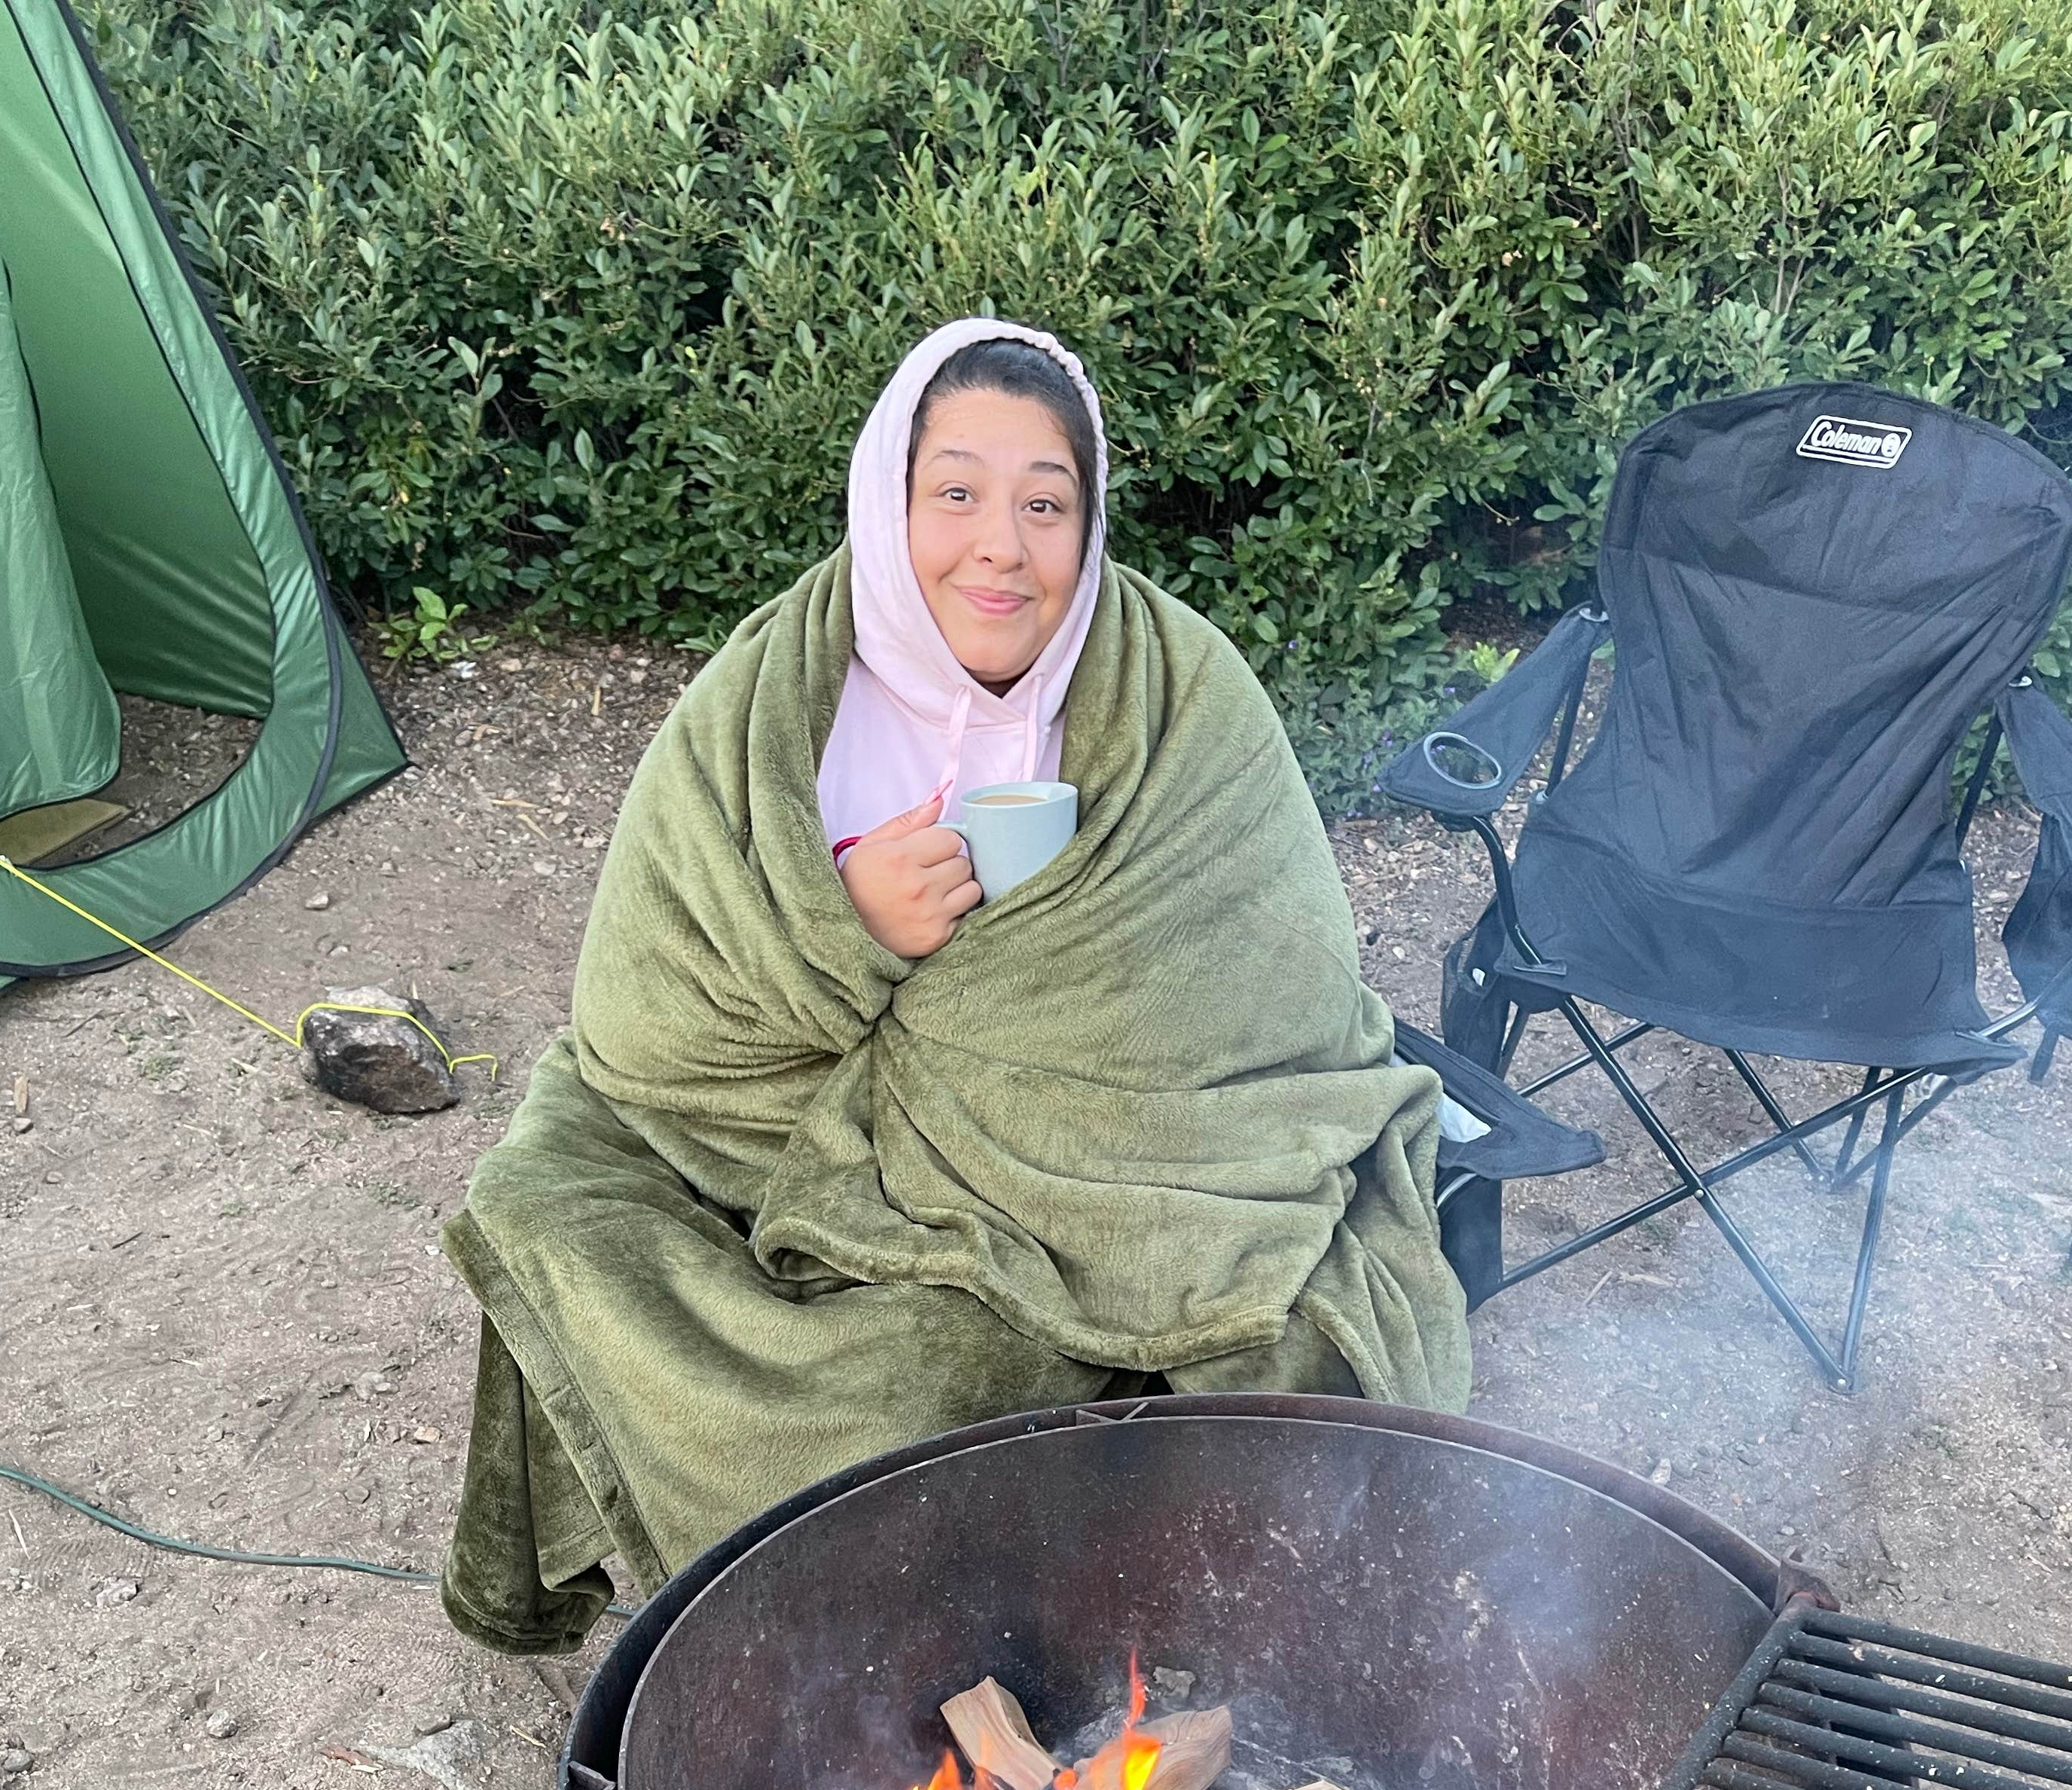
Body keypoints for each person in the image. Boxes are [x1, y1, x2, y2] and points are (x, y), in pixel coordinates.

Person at [440, 318, 1469, 1653]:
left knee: (963, 1376)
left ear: (1089, 528)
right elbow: (650, 1006)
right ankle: (781, 1646)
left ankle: (961, 1656)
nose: (1003, 545)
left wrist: (999, 1010)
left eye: (1047, 503)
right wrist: (847, 928)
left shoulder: (1183, 698)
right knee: (553, 1205)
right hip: (758, 1133)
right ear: (891, 501)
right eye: (959, 493)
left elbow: (1267, 992)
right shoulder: (768, 700)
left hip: (1071, 1174)